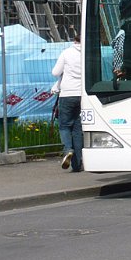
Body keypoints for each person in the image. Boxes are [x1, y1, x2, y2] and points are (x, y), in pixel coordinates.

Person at [52, 34, 83, 173]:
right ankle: (77, 165)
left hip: (67, 93)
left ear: (74, 40)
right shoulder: (87, 53)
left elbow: (55, 72)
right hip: (82, 94)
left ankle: (67, 149)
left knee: (64, 126)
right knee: (77, 129)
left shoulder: (66, 53)